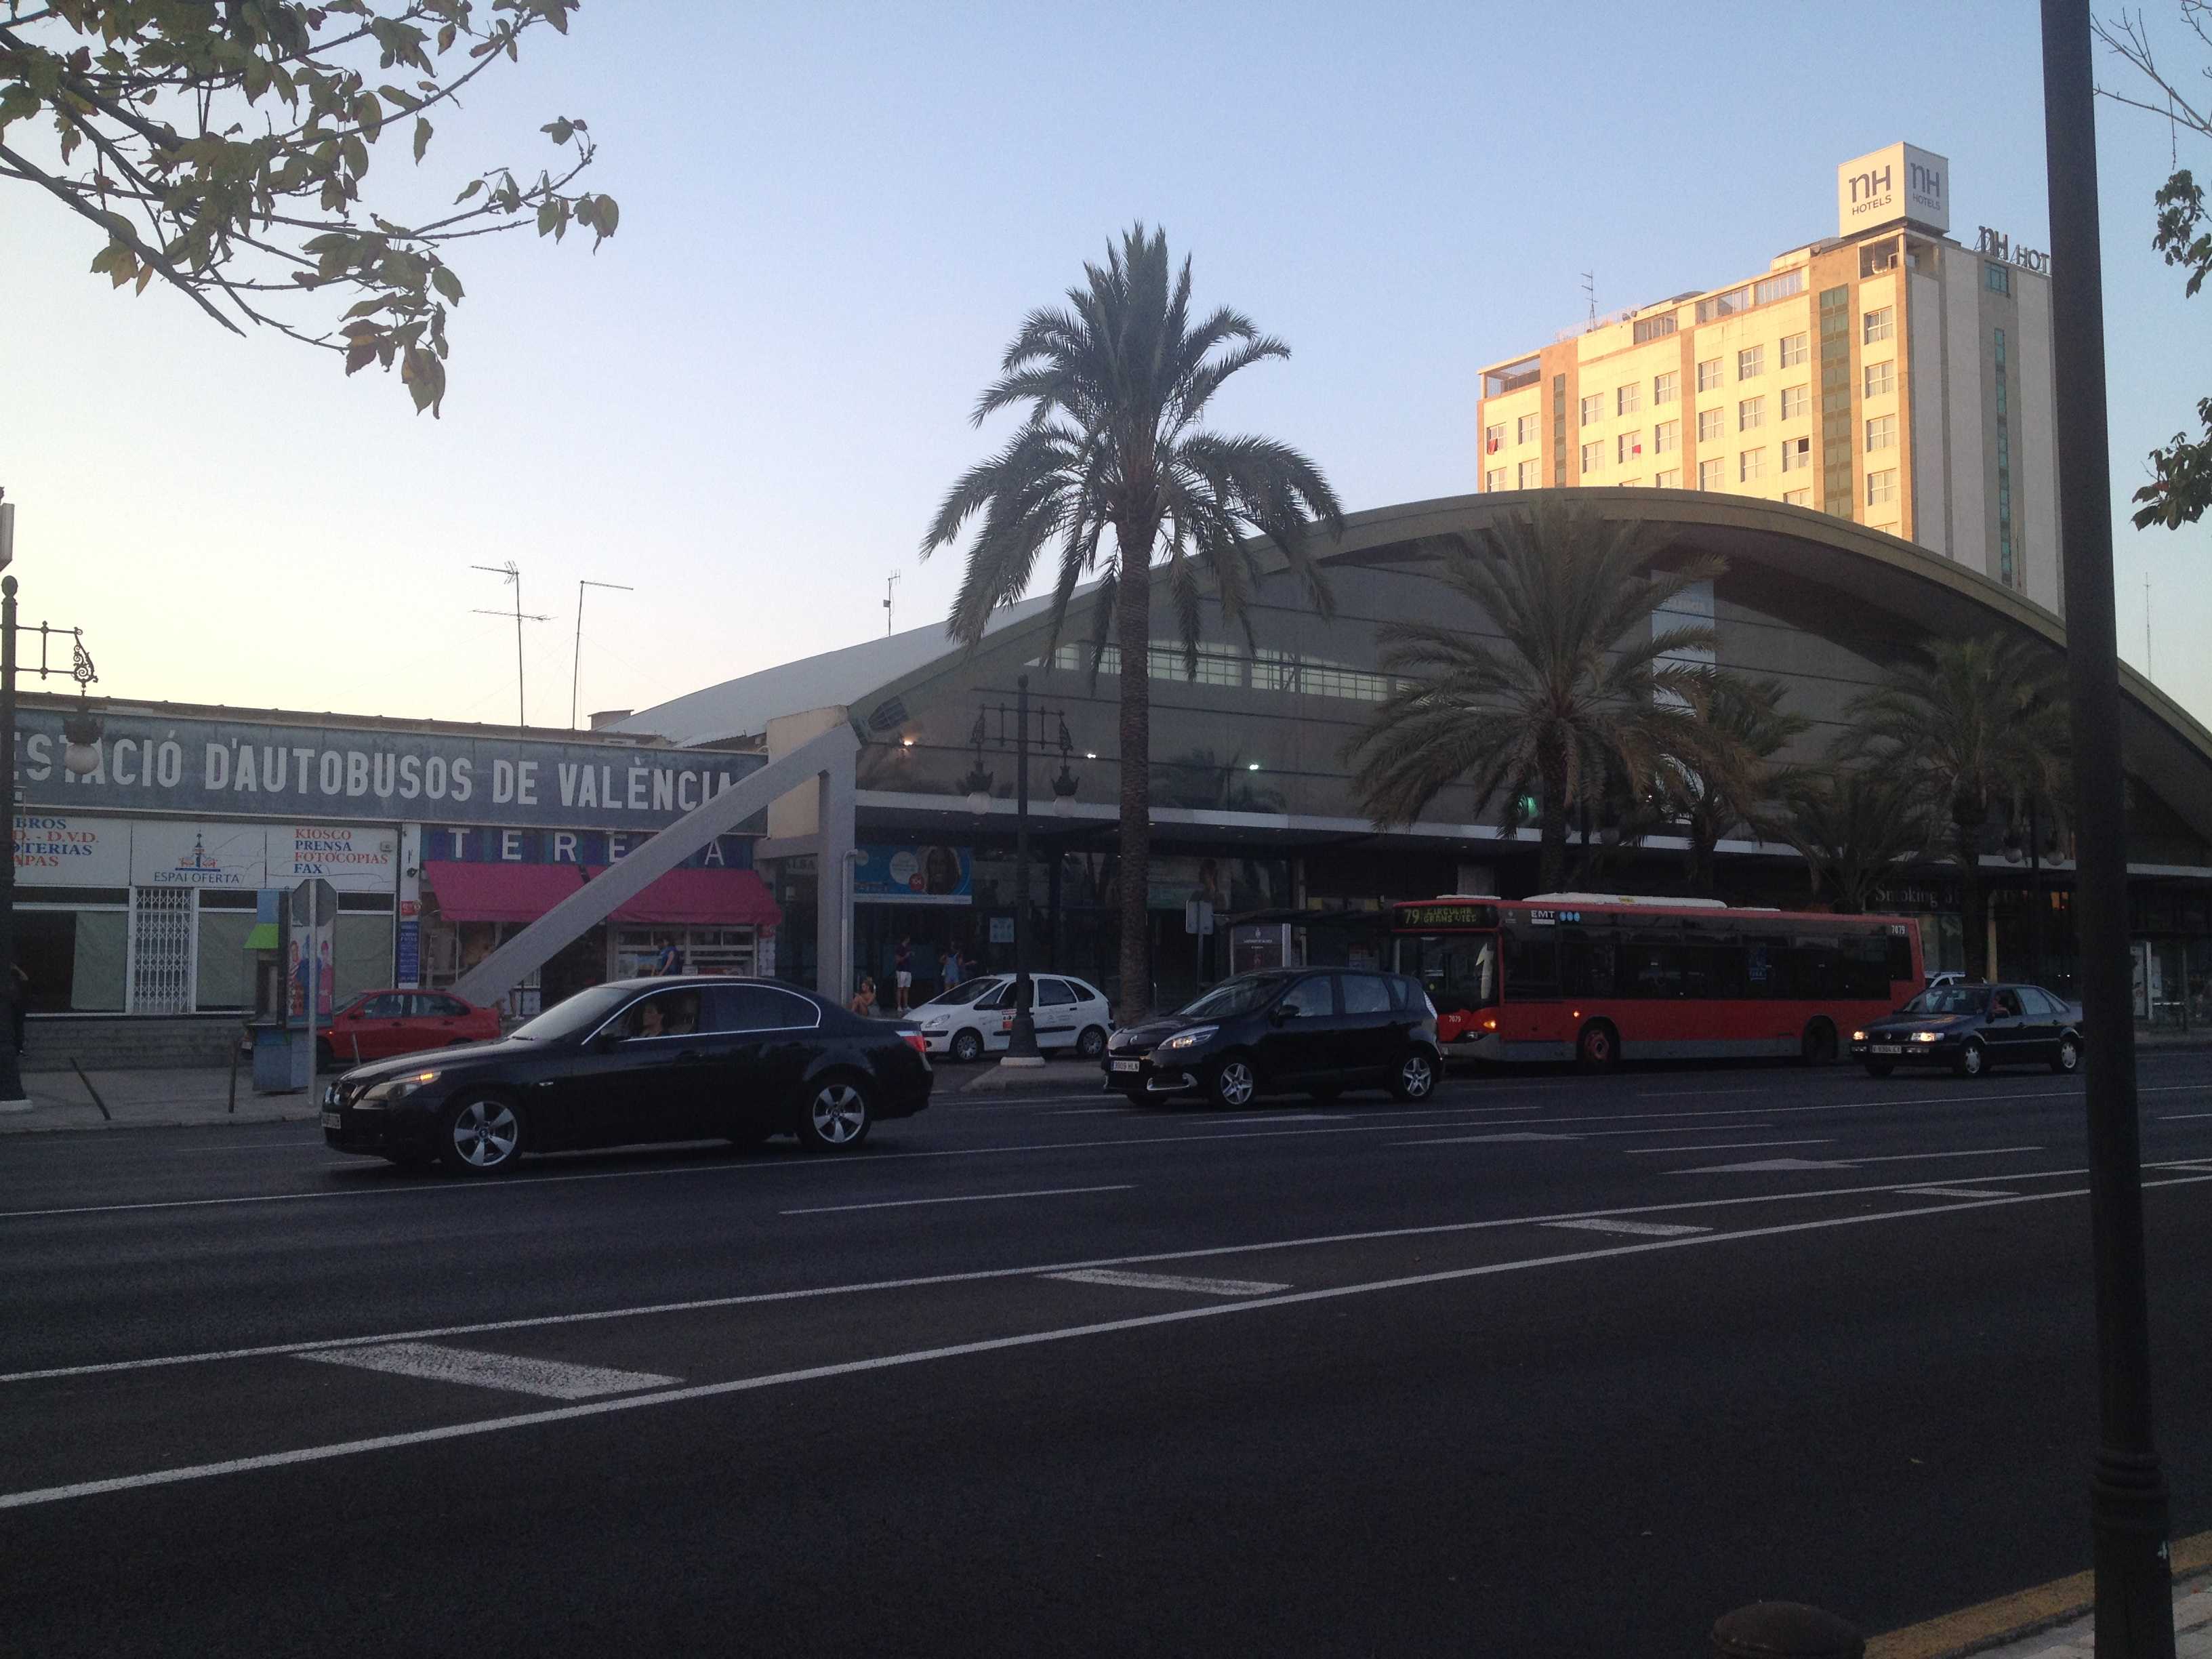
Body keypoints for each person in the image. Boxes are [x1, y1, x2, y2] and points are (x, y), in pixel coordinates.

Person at [893, 936, 913, 1014]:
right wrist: (905, 956)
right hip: (901, 970)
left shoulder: (908, 947)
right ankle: (899, 1006)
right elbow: (897, 960)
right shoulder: (899, 948)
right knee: (900, 988)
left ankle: (905, 1006)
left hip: (908, 970)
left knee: (906, 988)